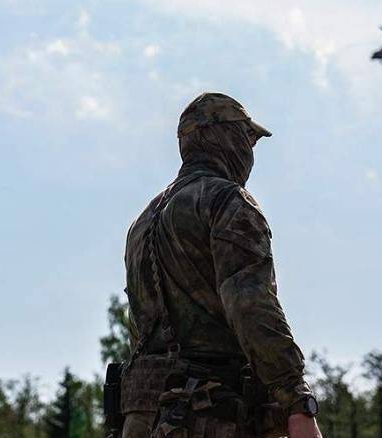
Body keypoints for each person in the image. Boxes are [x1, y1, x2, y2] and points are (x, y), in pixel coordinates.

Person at [120, 92, 322, 438]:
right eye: (248, 138)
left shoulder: (143, 222)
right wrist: (297, 401)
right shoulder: (227, 202)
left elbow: (139, 327)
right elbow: (251, 304)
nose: (250, 150)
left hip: (143, 419)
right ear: (227, 138)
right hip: (208, 415)